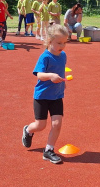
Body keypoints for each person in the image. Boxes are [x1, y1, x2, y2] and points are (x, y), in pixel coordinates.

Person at [22, 23, 69, 164]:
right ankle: (28, 130)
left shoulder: (63, 55)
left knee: (57, 124)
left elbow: (61, 70)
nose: (62, 46)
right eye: (59, 43)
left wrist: (62, 81)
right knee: (40, 125)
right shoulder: (45, 57)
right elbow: (39, 75)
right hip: (42, 96)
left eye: (65, 42)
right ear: (49, 41)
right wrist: (51, 76)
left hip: (57, 96)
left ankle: (49, 150)